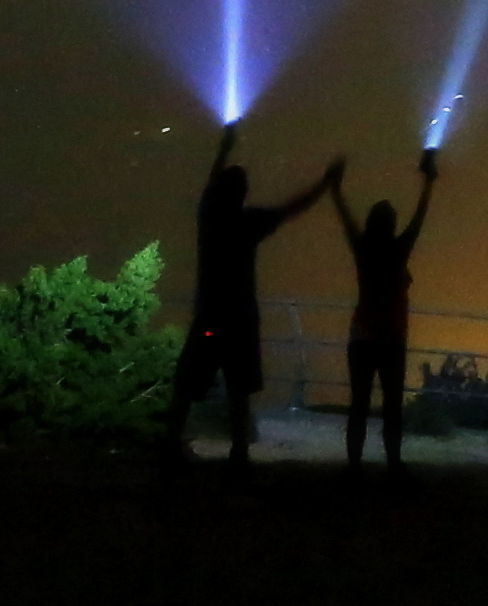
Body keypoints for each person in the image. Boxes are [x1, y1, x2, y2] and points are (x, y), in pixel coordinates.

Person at [173, 121, 339, 462]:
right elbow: (295, 207)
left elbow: (209, 185)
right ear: (244, 194)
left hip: (209, 315)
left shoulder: (210, 217)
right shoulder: (249, 222)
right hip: (241, 320)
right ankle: (238, 452)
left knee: (187, 385)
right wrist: (326, 183)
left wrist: (224, 147)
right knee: (238, 390)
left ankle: (170, 444)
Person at [327, 145, 440, 473]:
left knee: (359, 404)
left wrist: (335, 188)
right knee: (392, 404)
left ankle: (354, 465)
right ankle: (393, 463)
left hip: (362, 335)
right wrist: (428, 182)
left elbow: (346, 218)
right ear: (391, 225)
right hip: (391, 336)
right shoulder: (398, 250)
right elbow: (420, 217)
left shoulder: (363, 249)